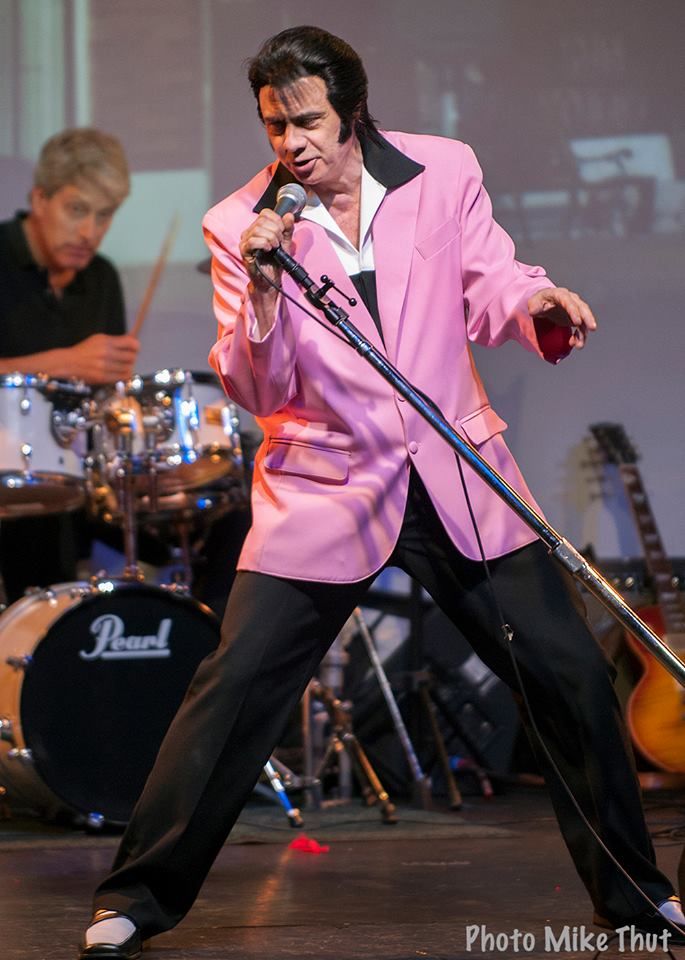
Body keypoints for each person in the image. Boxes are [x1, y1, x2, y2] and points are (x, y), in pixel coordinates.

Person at [78, 26, 684, 959]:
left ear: (352, 110)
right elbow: (256, 387)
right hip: (326, 486)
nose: (290, 143)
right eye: (274, 125)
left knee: (568, 675)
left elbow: (488, 279)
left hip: (455, 471)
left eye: (306, 120)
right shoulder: (240, 223)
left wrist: (535, 303)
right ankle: (134, 898)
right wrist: (266, 288)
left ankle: (638, 898)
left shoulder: (440, 172)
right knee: (232, 691)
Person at [0, 128, 139, 601]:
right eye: (77, 210)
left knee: (217, 512)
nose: (89, 233)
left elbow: (104, 402)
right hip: (13, 483)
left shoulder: (101, 279)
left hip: (73, 486)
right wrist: (66, 363)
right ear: (40, 198)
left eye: (104, 216)